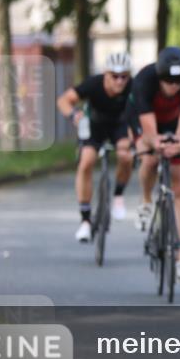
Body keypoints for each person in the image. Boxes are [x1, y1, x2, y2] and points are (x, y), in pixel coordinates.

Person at [131, 47, 180, 283]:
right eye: (168, 81)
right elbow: (150, 134)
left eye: (178, 82)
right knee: (150, 157)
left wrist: (179, 144)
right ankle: (145, 201)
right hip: (146, 121)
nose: (173, 86)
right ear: (159, 76)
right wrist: (156, 144)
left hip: (173, 125)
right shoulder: (143, 80)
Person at [57, 52, 135, 243]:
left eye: (124, 76)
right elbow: (64, 101)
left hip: (120, 126)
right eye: (114, 76)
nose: (119, 81)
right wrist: (74, 115)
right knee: (86, 162)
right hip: (95, 125)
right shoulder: (93, 84)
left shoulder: (133, 87)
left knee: (126, 155)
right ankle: (85, 220)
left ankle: (118, 195)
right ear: (105, 75)